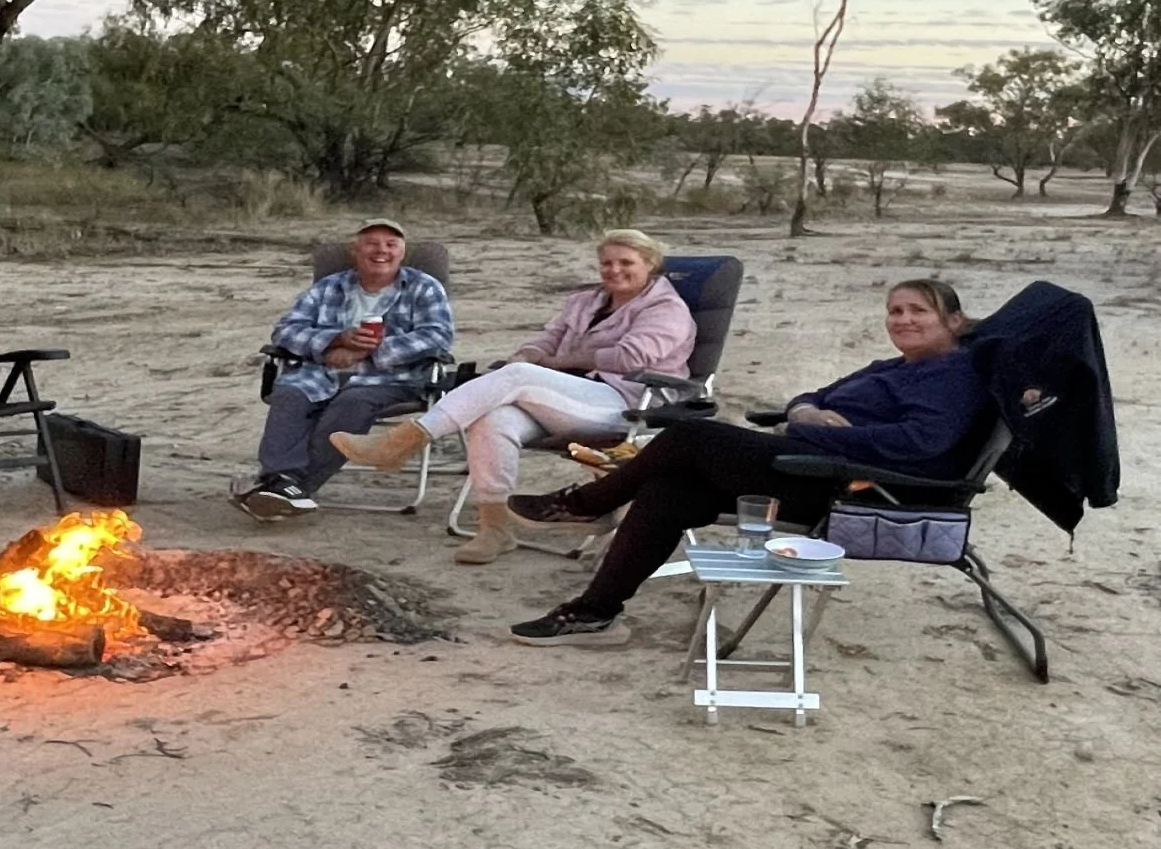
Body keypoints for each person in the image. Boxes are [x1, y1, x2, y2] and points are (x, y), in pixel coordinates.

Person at [501, 279, 984, 647]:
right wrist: (805, 412)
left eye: (918, 311)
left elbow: (920, 443)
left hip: (850, 486)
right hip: (814, 459)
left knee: (691, 435)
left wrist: (812, 430)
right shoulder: (893, 367)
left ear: (955, 321)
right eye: (895, 310)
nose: (903, 319)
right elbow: (812, 396)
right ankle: (595, 613)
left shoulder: (952, 375)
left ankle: (585, 503)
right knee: (669, 492)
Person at [329, 229, 695, 563]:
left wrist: (550, 363)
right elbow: (548, 338)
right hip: (559, 399)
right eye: (607, 263)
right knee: (493, 417)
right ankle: (495, 528)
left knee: (517, 377)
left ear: (650, 264)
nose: (614, 270)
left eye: (626, 263)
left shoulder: (667, 309)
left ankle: (401, 443)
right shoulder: (588, 301)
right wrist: (528, 354)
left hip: (623, 403)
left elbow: (630, 358)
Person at [234, 218, 454, 520]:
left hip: (391, 377)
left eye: (391, 245)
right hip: (321, 371)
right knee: (290, 394)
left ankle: (292, 487)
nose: (381, 251)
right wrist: (334, 340)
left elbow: (437, 336)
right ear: (355, 250)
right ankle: (281, 481)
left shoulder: (424, 287)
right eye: (372, 244)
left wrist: (369, 352)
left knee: (352, 402)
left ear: (402, 252)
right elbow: (285, 330)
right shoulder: (329, 287)